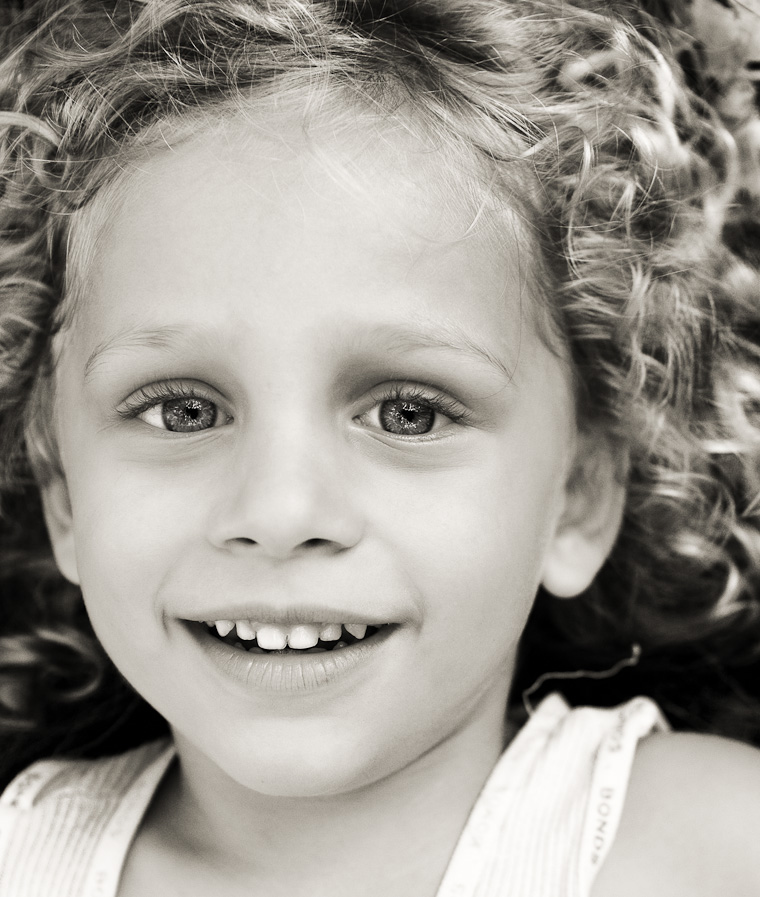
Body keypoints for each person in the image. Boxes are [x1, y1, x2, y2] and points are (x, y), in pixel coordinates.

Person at [0, 0, 759, 894]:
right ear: (62, 488)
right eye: (180, 412)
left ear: (581, 488)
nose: (280, 513)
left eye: (409, 413)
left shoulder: (713, 847)